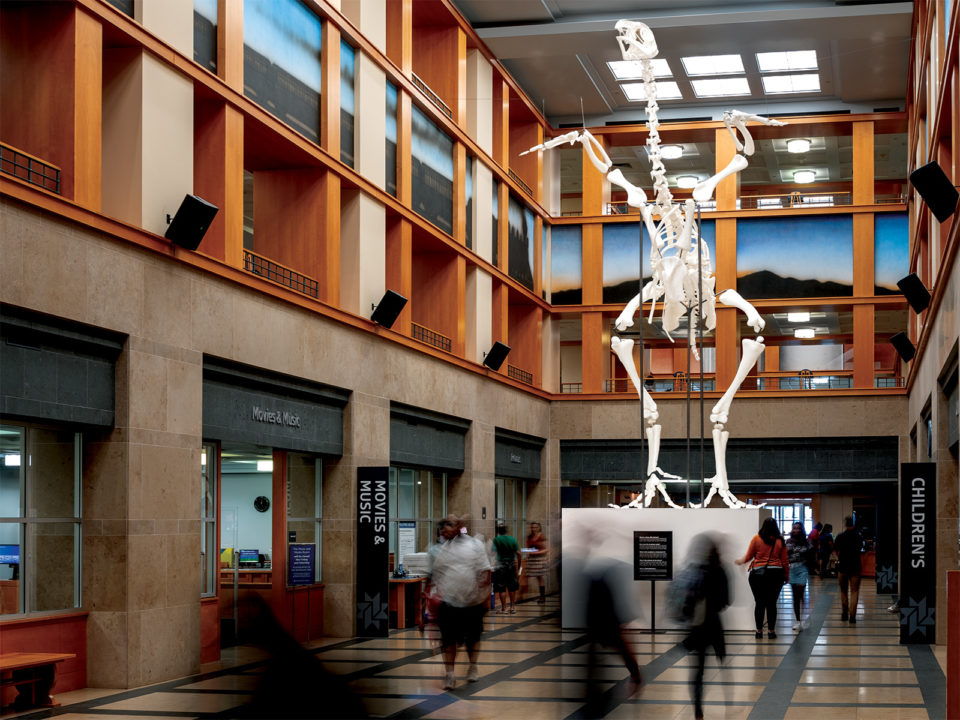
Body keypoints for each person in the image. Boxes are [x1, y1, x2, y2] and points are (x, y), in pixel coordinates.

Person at [430, 514, 493, 690]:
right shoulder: (442, 548)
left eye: (448, 525)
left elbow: (485, 571)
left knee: (473, 639)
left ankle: (473, 666)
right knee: (448, 641)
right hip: (449, 603)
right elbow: (437, 575)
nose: (444, 529)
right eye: (442, 525)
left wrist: (483, 595)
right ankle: (449, 674)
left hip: (472, 603)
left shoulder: (475, 545)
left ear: (459, 526)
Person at [679, 533, 729, 720]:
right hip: (714, 625)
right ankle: (728, 704)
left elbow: (684, 601)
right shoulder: (720, 571)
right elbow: (726, 601)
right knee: (722, 664)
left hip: (696, 627)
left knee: (698, 671)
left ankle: (698, 711)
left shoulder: (692, 569)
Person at [736, 517, 789, 639]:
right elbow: (785, 561)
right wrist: (786, 575)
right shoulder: (780, 540)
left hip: (758, 575)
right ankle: (771, 632)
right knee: (772, 604)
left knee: (759, 603)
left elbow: (749, 556)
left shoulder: (756, 539)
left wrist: (741, 561)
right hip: (776, 575)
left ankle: (759, 631)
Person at [834, 516, 864, 623]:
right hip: (855, 566)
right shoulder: (859, 536)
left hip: (843, 566)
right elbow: (861, 549)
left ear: (845, 524)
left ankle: (844, 614)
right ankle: (852, 617)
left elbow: (836, 551)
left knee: (843, 591)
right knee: (854, 591)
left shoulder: (840, 536)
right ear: (854, 524)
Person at [785, 522, 813, 632]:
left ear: (802, 530)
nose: (796, 530)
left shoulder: (806, 542)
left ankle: (803, 615)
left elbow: (811, 554)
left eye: (798, 528)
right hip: (792, 569)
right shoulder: (788, 541)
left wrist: (815, 568)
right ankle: (797, 620)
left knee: (800, 594)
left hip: (802, 568)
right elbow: (784, 555)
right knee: (795, 597)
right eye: (794, 528)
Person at [491, 523, 521, 613]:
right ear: (506, 530)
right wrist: (519, 566)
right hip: (511, 565)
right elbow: (518, 553)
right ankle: (512, 608)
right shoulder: (512, 539)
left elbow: (492, 553)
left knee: (502, 587)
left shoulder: (496, 540)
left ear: (498, 531)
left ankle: (504, 608)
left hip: (500, 566)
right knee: (512, 587)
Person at [526, 521, 549, 604]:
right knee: (529, 576)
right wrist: (528, 551)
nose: (533, 529)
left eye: (535, 527)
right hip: (532, 560)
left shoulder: (541, 536)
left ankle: (542, 597)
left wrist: (536, 552)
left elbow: (546, 549)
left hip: (540, 559)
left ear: (538, 527)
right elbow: (528, 548)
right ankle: (540, 596)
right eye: (532, 527)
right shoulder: (529, 537)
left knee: (540, 578)